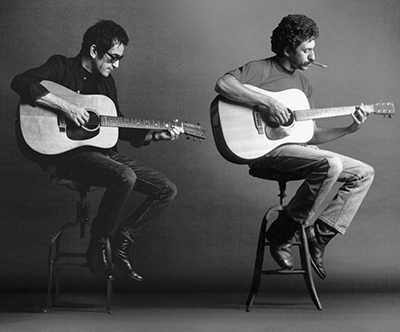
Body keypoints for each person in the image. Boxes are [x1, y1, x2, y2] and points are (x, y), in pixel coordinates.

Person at [11, 20, 184, 281]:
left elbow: (118, 125)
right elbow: (21, 81)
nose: (116, 65)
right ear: (94, 51)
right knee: (125, 176)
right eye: (113, 57)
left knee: (167, 189)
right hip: (69, 156)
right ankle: (99, 244)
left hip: (104, 156)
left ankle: (122, 241)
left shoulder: (107, 84)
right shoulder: (61, 66)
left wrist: (156, 135)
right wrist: (66, 107)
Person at [214, 14, 374, 279]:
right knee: (329, 164)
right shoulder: (261, 69)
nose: (313, 56)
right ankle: (282, 233)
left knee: (364, 173)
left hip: (298, 152)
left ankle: (317, 237)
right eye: (307, 50)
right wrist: (267, 103)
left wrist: (349, 129)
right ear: (288, 50)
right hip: (265, 154)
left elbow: (307, 135)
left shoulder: (303, 85)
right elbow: (223, 84)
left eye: (313, 49)